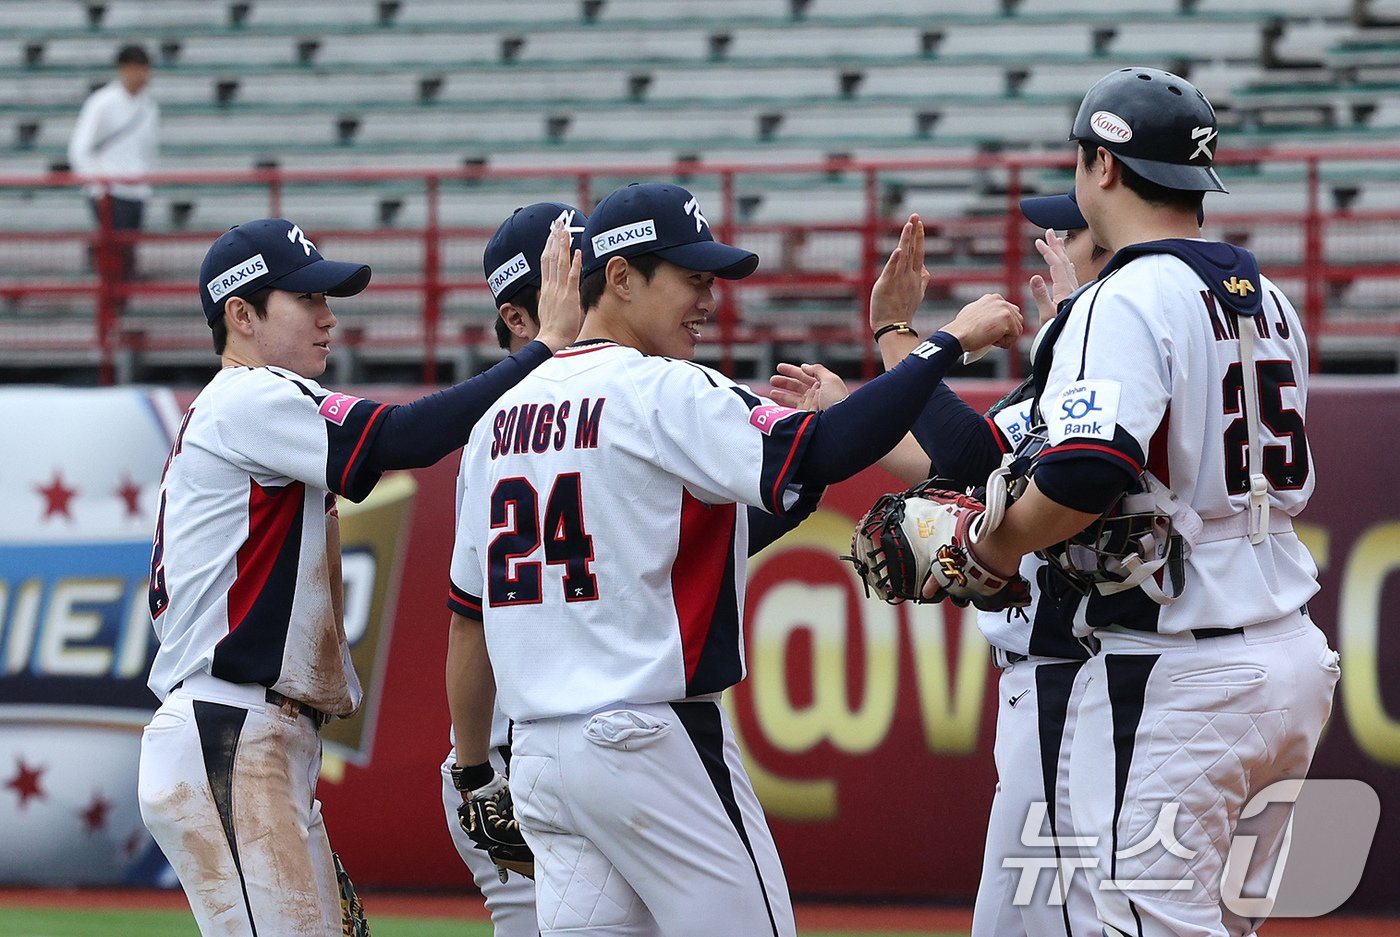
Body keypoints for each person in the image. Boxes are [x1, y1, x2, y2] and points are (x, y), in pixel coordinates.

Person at [446, 182, 1023, 936]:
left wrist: (473, 771)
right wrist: (943, 340)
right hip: (649, 740)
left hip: (544, 760)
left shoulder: (497, 418)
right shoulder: (659, 387)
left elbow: (469, 609)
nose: (709, 299)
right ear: (620, 278)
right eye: (691, 278)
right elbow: (824, 447)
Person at [960, 67, 1339, 937]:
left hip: (1181, 671)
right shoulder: (1271, 300)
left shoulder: (1122, 295)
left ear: (1101, 165)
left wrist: (997, 543)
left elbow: (1088, 472)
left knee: (1139, 922)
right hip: (1289, 661)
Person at [136, 216, 582, 936]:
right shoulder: (248, 397)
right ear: (240, 315)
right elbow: (401, 438)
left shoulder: (241, 410)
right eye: (304, 298)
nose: (327, 314)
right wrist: (545, 349)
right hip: (231, 732)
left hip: (252, 737)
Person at [767, 191, 1110, 937]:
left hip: (1072, 676)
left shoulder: (1099, 364)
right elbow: (961, 472)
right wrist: (859, 406)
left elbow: (970, 454)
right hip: (1063, 675)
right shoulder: (1088, 366)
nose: (1049, 248)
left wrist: (899, 337)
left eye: (1070, 236)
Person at [441, 200, 588, 937]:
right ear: (520, 318)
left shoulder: (595, 401)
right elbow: (468, 616)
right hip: (513, 749)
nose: (590, 301)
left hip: (554, 744)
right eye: (569, 285)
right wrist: (473, 771)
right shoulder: (498, 429)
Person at [67, 43, 158, 281]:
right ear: (124, 69)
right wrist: (96, 187)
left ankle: (120, 304)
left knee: (128, 254)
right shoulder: (102, 102)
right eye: (138, 68)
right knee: (114, 253)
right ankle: (110, 306)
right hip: (109, 191)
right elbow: (80, 147)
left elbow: (147, 150)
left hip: (137, 191)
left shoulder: (148, 106)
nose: (143, 75)